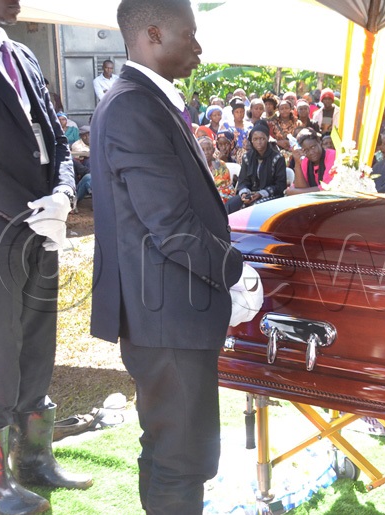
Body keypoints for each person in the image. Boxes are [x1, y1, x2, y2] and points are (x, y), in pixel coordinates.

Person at [89, 0, 259, 512]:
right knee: (180, 460)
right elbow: (171, 226)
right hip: (164, 313)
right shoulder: (132, 107)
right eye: (192, 35)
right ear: (155, 34)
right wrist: (236, 273)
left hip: (166, 311)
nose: (200, 48)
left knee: (178, 454)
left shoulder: (144, 101)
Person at [0, 0, 90, 511]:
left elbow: (55, 132)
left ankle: (34, 460)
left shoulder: (22, 54)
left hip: (41, 223)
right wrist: (30, 213)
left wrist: (65, 195)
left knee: (37, 341)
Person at [227, 121, 287, 213]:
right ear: (251, 141)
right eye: (255, 139)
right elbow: (243, 181)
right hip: (251, 193)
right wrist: (244, 193)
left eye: (262, 138)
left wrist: (260, 194)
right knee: (230, 205)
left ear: (267, 139)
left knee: (254, 208)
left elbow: (280, 185)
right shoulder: (247, 157)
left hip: (271, 195)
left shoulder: (278, 158)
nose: (259, 142)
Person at [288, 129, 337, 194]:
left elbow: (326, 188)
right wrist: (297, 163)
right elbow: (300, 187)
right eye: (306, 150)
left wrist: (295, 192)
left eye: (313, 147)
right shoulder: (306, 161)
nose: (311, 152)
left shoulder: (332, 155)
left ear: (319, 142)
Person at [199, 135, 233, 204]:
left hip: (219, 195)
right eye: (202, 150)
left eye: (208, 149)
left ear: (213, 150)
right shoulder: (196, 165)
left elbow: (224, 186)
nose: (206, 152)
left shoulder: (219, 165)